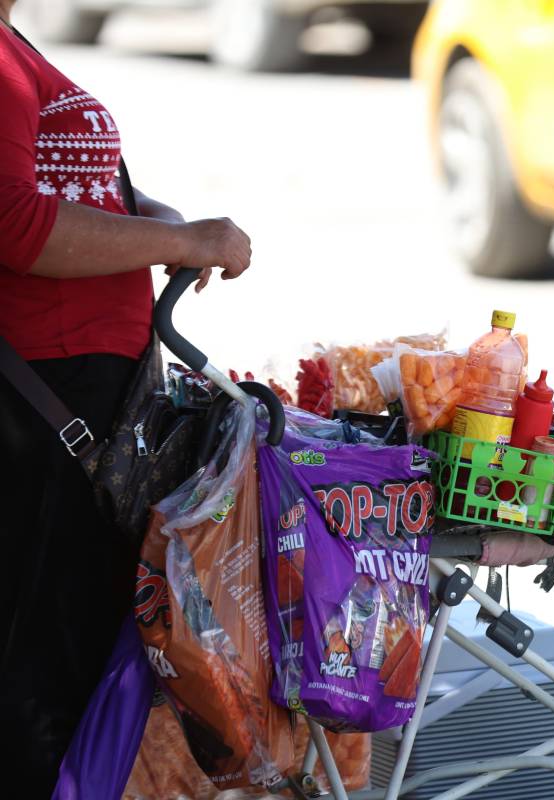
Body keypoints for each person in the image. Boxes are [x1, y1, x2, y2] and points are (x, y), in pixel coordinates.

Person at [0, 2, 252, 794]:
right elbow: (18, 226)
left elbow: (56, 190)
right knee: (39, 668)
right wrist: (184, 241)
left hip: (82, 400)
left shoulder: (14, 42)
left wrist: (151, 220)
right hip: (46, 404)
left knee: (69, 658)